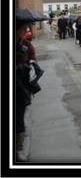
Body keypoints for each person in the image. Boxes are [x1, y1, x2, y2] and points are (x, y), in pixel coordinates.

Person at [15, 20, 43, 161]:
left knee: (19, 116)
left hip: (22, 87)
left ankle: (18, 148)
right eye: (24, 28)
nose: (26, 30)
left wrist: (32, 65)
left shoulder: (26, 45)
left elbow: (32, 58)